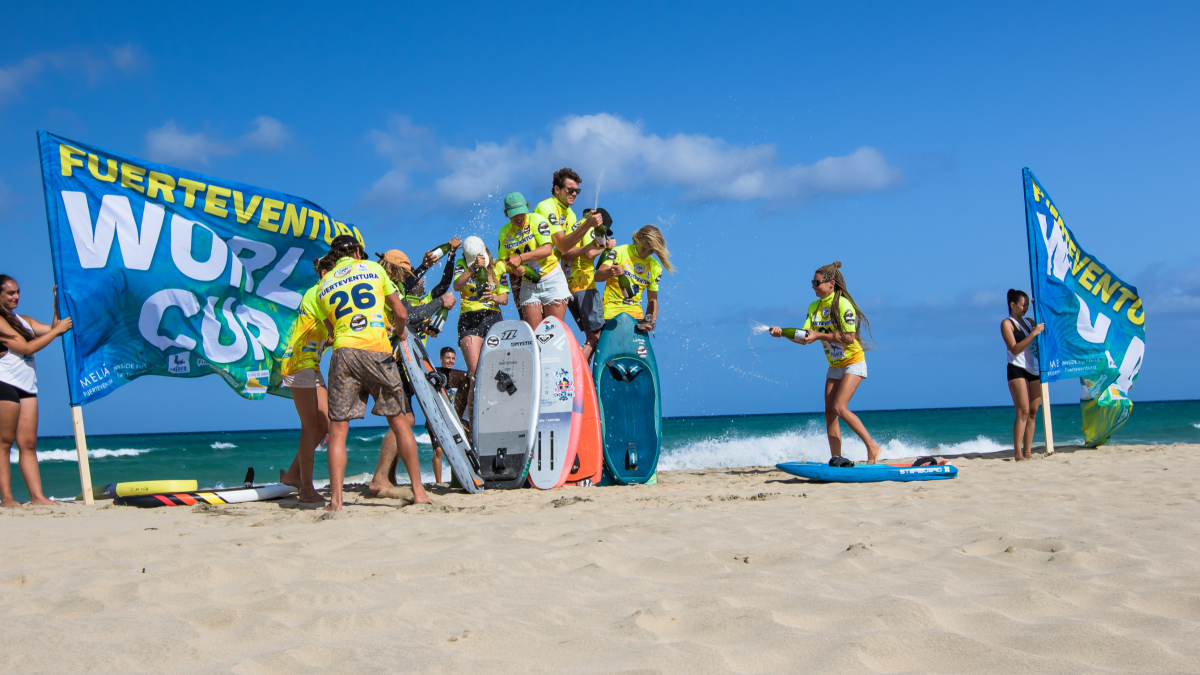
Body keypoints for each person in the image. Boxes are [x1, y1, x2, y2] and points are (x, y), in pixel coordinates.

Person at [313, 235, 430, 510]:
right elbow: (400, 312)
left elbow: (331, 333)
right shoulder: (374, 269)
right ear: (356, 252)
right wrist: (400, 334)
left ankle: (336, 502)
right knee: (400, 422)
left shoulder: (322, 285)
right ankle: (419, 492)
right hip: (376, 350)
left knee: (339, 430)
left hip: (343, 354)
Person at [768, 261, 882, 464]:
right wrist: (782, 333)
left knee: (839, 407)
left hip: (853, 362)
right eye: (812, 282)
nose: (813, 286)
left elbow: (849, 337)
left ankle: (872, 446)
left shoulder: (842, 305)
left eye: (816, 282)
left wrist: (819, 335)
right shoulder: (814, 307)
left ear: (832, 283)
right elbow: (805, 337)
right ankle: (836, 458)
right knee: (830, 413)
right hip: (835, 366)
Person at [376, 245, 459, 487]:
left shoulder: (390, 284)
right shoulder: (389, 286)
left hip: (404, 362)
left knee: (403, 420)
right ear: (395, 270)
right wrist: (441, 302)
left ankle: (387, 477)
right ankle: (381, 477)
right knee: (405, 421)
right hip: (393, 361)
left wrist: (444, 258)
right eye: (408, 273)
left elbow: (411, 311)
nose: (415, 278)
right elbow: (409, 314)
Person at [0, 277, 72, 507]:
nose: (16, 296)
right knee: (4, 443)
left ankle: (38, 498)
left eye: (18, 292)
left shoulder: (24, 320)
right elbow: (28, 347)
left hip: (27, 386)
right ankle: (8, 499)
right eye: (10, 293)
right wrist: (56, 331)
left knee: (28, 444)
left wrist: (55, 303)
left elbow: (54, 329)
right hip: (5, 383)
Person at [277, 255, 337, 504]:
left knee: (325, 424)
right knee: (310, 426)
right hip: (299, 363)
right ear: (324, 272)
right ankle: (306, 489)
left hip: (311, 364)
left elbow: (327, 335)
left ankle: (292, 475)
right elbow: (335, 329)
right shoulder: (317, 292)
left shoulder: (324, 294)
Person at [534, 168, 608, 360]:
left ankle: (564, 373)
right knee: (538, 334)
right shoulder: (546, 207)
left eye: (577, 191)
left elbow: (567, 253)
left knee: (552, 334)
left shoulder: (571, 215)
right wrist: (587, 226)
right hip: (532, 275)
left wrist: (591, 243)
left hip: (553, 276)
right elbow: (561, 244)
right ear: (556, 189)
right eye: (570, 190)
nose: (574, 194)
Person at [498, 191, 590, 330]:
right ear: (506, 214)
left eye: (521, 212)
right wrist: (514, 270)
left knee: (552, 332)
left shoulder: (536, 219)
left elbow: (547, 249)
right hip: (528, 285)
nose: (518, 217)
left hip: (552, 280)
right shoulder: (504, 232)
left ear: (527, 208)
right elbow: (503, 262)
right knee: (534, 334)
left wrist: (520, 258)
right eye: (514, 213)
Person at [452, 236, 510, 400]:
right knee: (476, 375)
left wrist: (493, 297)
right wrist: (472, 269)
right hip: (469, 319)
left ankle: (497, 413)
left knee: (498, 371)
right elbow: (457, 286)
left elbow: (505, 299)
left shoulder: (498, 265)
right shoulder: (462, 264)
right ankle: (472, 423)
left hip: (493, 317)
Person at [594, 224, 673, 332]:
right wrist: (611, 271)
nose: (645, 254)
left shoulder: (656, 267)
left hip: (636, 318)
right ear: (637, 239)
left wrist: (651, 320)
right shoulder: (620, 251)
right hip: (611, 314)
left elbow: (652, 300)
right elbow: (597, 276)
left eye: (650, 251)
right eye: (644, 248)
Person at [1002, 289, 1044, 461]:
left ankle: (1028, 451)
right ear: (1013, 305)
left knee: (1033, 411)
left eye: (1027, 305)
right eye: (1023, 305)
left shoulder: (1029, 321)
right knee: (1023, 411)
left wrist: (1038, 305)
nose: (1025, 308)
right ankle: (1018, 453)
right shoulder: (1007, 323)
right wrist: (1033, 334)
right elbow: (1014, 348)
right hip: (1016, 368)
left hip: (1033, 368)